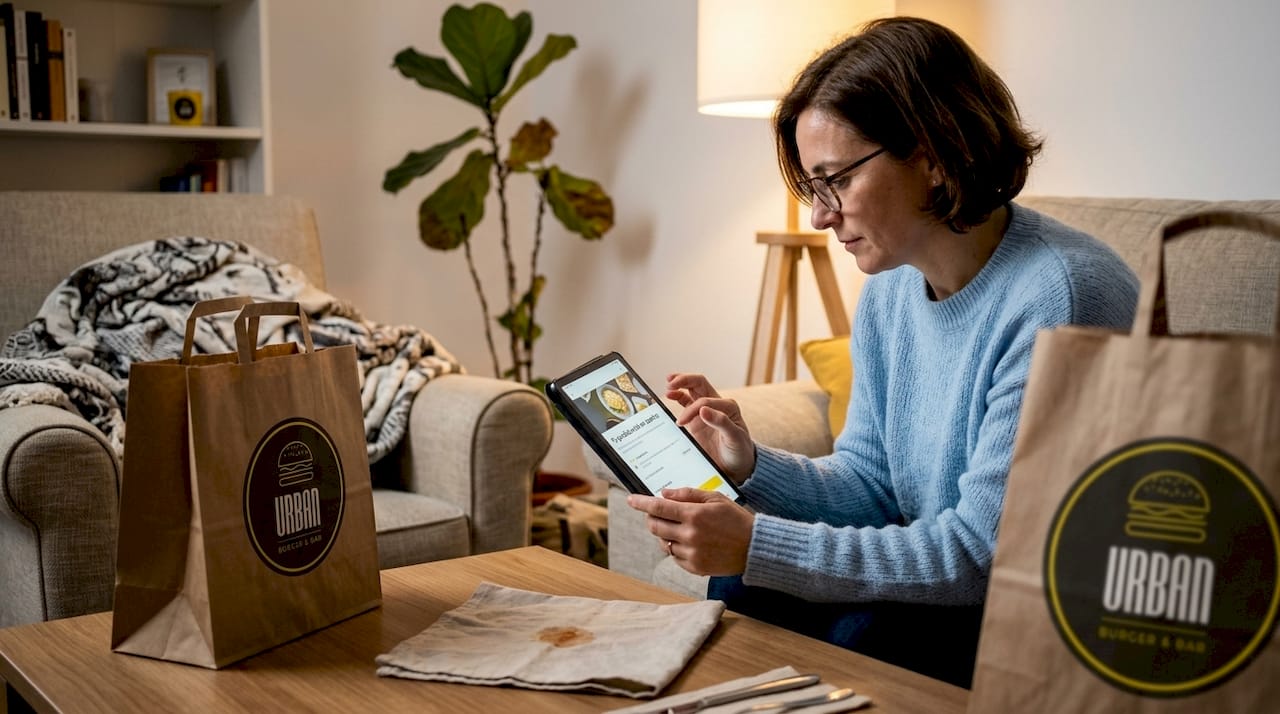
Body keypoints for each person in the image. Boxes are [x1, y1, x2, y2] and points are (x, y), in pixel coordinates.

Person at [625, 16, 1139, 688]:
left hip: (1047, 608)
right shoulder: (894, 288)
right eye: (813, 186)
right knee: (748, 588)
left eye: (833, 179)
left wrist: (758, 541)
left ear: (930, 152)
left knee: (860, 631)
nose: (819, 214)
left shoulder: (1062, 295)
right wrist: (750, 465)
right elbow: (870, 485)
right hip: (961, 587)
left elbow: (982, 555)